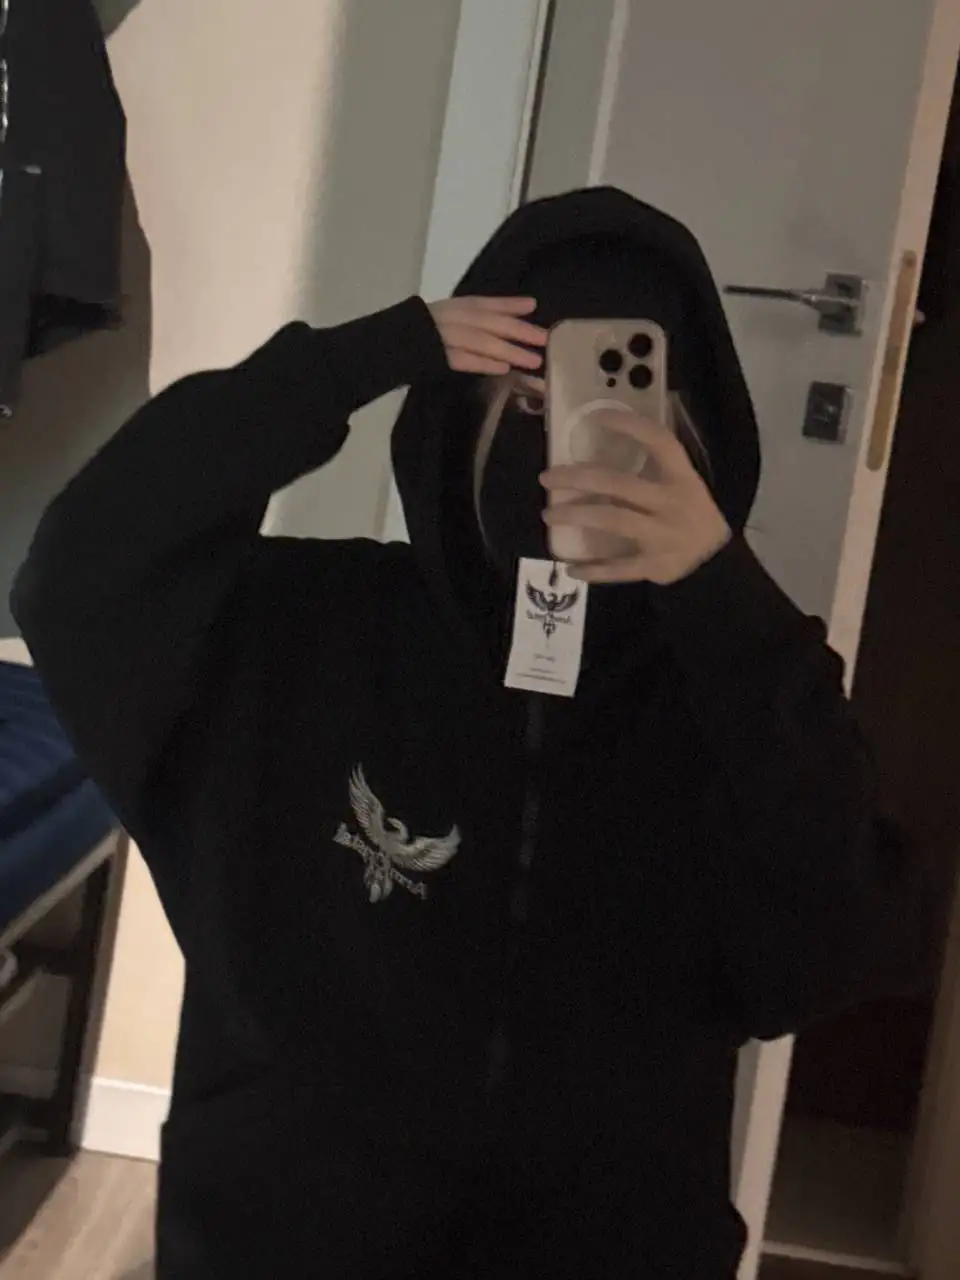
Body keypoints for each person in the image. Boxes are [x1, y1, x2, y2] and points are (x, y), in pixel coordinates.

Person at [12, 187, 907, 1278]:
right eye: (529, 401)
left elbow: (829, 944)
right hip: (285, 1236)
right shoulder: (307, 633)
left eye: (636, 406)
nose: (573, 441)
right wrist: (359, 359)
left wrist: (724, 595)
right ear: (457, 416)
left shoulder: (740, 697)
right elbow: (80, 576)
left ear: (699, 438)